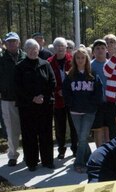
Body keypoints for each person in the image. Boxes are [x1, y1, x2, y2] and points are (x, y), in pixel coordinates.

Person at [14, 39, 56, 171]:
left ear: (39, 50)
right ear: (26, 50)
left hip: (45, 105)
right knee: (29, 135)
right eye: (30, 49)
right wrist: (33, 98)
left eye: (35, 48)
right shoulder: (19, 67)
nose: (33, 51)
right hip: (27, 107)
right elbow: (18, 88)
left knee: (46, 134)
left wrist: (42, 96)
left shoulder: (46, 64)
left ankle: (48, 161)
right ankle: (31, 162)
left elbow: (52, 82)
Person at [63, 47, 103, 173]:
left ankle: (79, 162)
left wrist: (93, 105)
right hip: (75, 111)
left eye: (83, 58)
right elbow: (66, 92)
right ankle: (90, 158)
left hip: (89, 112)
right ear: (74, 59)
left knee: (83, 137)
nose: (80, 60)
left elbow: (98, 92)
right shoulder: (70, 75)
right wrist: (71, 104)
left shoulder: (92, 75)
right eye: (78, 58)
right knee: (82, 138)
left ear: (87, 59)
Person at [48, 37, 78, 159]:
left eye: (62, 46)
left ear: (66, 48)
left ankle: (75, 149)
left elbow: (77, 78)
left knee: (73, 126)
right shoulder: (49, 62)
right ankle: (61, 149)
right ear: (54, 48)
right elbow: (48, 81)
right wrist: (57, 91)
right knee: (60, 127)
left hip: (72, 99)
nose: (60, 48)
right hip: (57, 100)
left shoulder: (73, 60)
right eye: (57, 46)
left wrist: (67, 90)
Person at [0, 32, 26, 167]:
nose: (11, 44)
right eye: (9, 42)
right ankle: (13, 155)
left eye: (14, 41)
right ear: (5, 44)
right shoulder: (1, 59)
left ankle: (29, 154)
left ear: (19, 42)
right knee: (11, 130)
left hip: (26, 100)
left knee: (28, 129)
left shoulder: (25, 56)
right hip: (8, 99)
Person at [90, 39, 110, 147]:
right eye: (97, 48)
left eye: (103, 48)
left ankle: (108, 150)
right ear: (93, 51)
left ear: (106, 50)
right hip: (96, 102)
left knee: (108, 127)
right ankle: (99, 151)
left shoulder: (111, 64)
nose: (100, 50)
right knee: (98, 128)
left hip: (110, 101)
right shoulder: (89, 65)